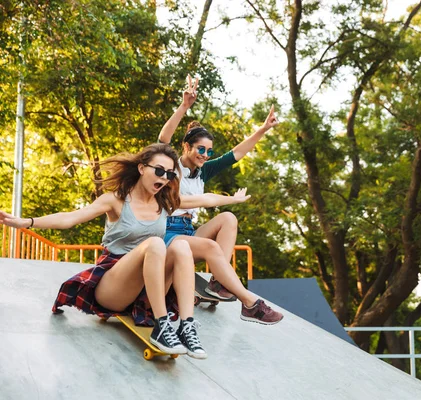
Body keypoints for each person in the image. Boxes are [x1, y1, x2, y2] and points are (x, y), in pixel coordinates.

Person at [0, 144, 212, 359]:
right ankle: (162, 325)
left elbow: (207, 199)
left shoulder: (165, 203)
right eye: (159, 171)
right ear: (141, 168)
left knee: (181, 245)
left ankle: (186, 326)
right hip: (114, 285)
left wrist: (234, 199)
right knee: (156, 244)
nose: (164, 178)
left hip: (147, 290)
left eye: (169, 174)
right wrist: (27, 222)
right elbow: (70, 217)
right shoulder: (116, 200)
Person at [157, 75, 283, 325]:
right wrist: (184, 106)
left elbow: (235, 154)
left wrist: (263, 129)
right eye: (200, 150)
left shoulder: (204, 170)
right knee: (216, 235)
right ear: (186, 147)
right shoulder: (170, 165)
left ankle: (218, 282)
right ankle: (250, 303)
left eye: (209, 151)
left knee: (228, 218)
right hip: (165, 234)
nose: (205, 155)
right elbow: (162, 140)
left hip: (188, 234)